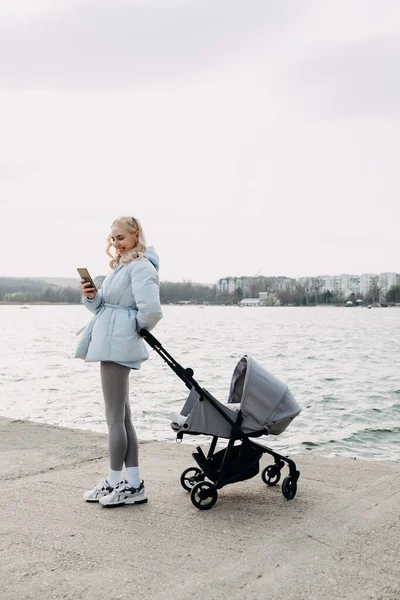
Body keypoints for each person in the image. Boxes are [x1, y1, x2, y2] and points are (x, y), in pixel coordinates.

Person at [75, 216, 163, 508]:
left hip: (117, 345)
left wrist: (130, 328)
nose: (115, 243)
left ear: (136, 236)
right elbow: (104, 308)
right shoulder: (123, 266)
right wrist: (91, 296)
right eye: (112, 238)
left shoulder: (140, 266)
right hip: (112, 342)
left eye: (121, 238)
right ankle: (133, 483)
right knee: (122, 417)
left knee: (114, 418)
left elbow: (150, 311)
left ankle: (115, 481)